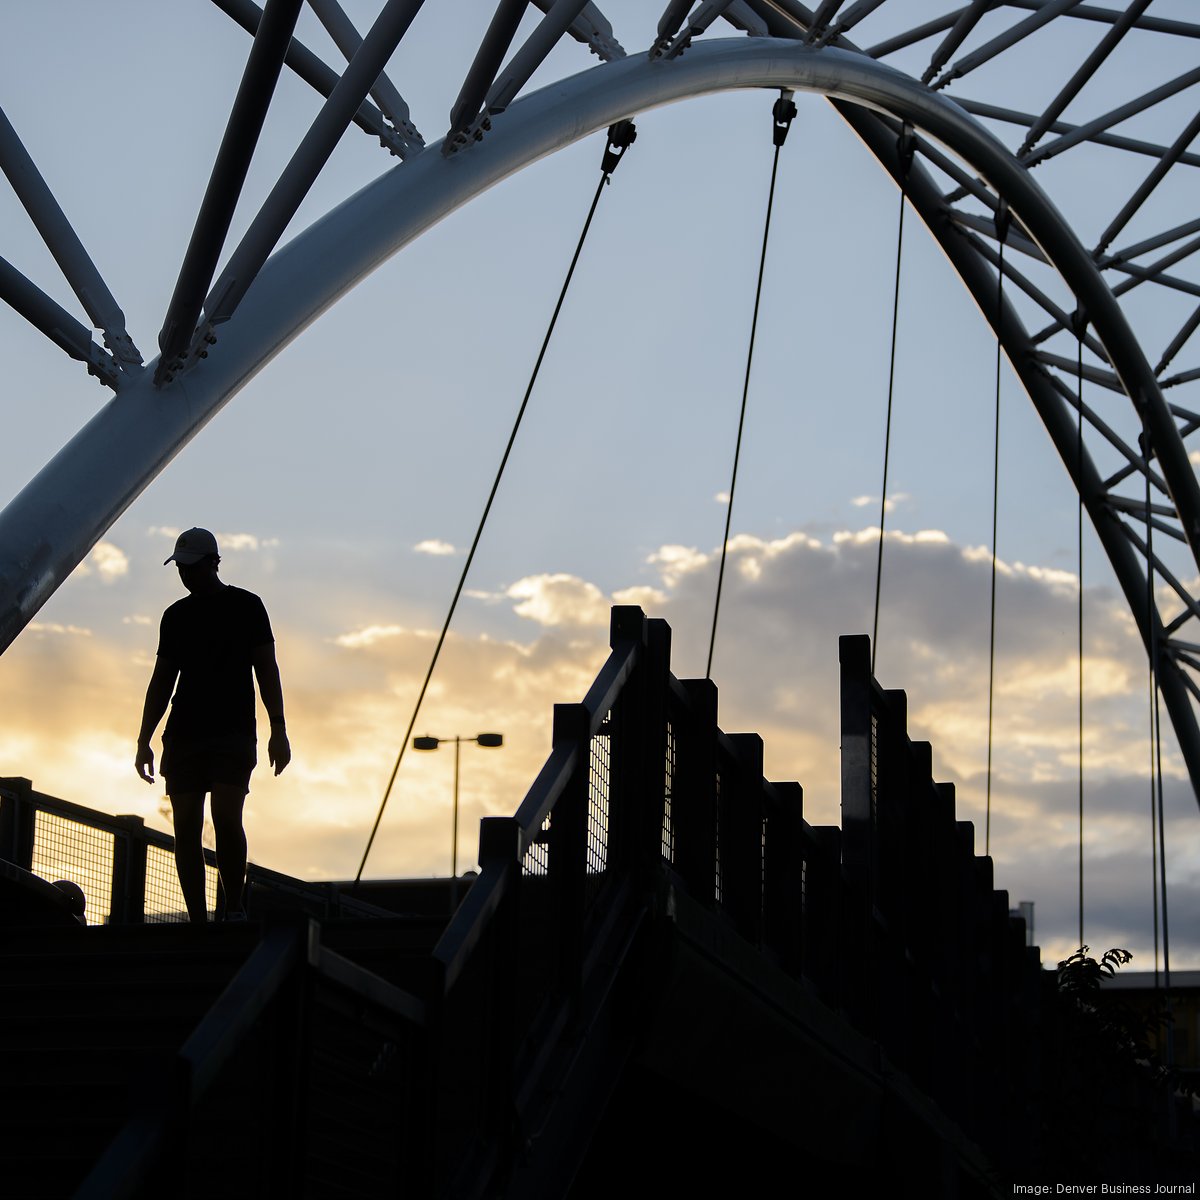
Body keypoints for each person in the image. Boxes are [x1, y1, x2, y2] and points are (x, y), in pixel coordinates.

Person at [135, 527, 290, 923]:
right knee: (185, 826)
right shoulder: (176, 617)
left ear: (213, 564)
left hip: (233, 732)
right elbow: (162, 680)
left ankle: (234, 907)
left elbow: (266, 670)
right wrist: (143, 739)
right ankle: (198, 921)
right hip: (185, 732)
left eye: (191, 567)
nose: (185, 575)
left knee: (225, 815)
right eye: (180, 568)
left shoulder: (248, 607)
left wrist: (279, 729)